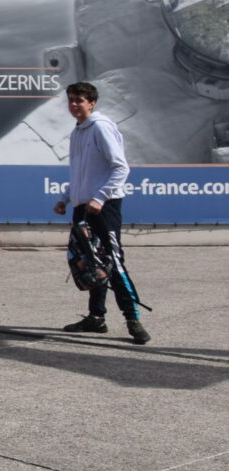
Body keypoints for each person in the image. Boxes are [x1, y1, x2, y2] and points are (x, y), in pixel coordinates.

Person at [52, 81, 150, 344]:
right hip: (83, 207)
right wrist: (65, 198)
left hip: (103, 207)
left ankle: (133, 319)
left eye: (80, 100)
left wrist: (100, 197)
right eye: (71, 100)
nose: (74, 104)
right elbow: (80, 174)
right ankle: (96, 318)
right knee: (90, 263)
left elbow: (121, 168)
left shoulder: (101, 127)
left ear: (92, 103)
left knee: (113, 263)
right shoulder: (77, 131)